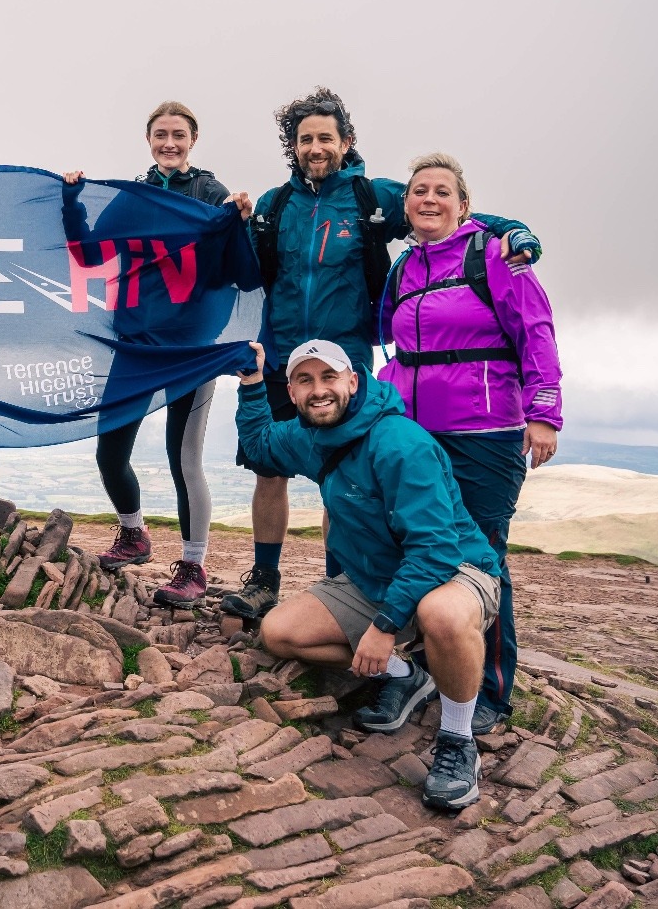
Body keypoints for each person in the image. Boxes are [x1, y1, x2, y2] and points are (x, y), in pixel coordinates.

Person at [221, 88, 542, 624]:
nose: (316, 147)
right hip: (282, 357)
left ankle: (338, 581)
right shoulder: (277, 205)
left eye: (326, 137)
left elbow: (439, 208)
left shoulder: (373, 196)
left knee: (342, 477)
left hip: (345, 361)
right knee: (267, 470)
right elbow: (248, 269)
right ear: (293, 147)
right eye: (306, 139)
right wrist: (237, 224)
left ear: (345, 142)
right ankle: (264, 580)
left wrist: (510, 229)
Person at [238, 338, 503, 811]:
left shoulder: (400, 443)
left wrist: (383, 627)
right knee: (279, 633)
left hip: (456, 571)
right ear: (293, 393)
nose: (319, 390)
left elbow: (435, 548)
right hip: (375, 577)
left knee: (439, 613)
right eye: (305, 380)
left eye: (329, 377)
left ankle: (458, 739)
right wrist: (253, 382)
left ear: (354, 382)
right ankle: (407, 675)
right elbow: (259, 446)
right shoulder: (307, 436)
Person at [379, 153, 562, 733]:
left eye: (441, 191)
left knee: (480, 555)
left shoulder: (496, 255)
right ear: (405, 206)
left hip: (486, 433)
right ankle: (423, 668)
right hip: (415, 434)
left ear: (463, 205)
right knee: (413, 547)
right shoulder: (403, 267)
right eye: (417, 192)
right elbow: (395, 344)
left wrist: (544, 413)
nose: (427, 199)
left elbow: (536, 331)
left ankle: (491, 687)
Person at [60, 101, 250, 609]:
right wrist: (71, 201)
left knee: (184, 460)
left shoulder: (209, 193)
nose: (170, 142)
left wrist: (239, 219)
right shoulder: (134, 197)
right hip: (135, 344)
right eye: (161, 134)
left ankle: (193, 565)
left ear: (193, 140)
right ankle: (134, 534)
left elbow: (237, 266)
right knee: (109, 451)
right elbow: (90, 256)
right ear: (149, 140)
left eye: (179, 135)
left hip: (189, 350)